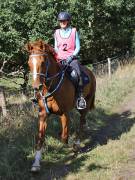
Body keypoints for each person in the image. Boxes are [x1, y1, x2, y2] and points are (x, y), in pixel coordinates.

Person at [54, 11, 86, 110]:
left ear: (68, 21)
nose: (62, 22)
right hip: (60, 59)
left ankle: (80, 97)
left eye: (64, 21)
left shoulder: (73, 31)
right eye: (60, 21)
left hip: (72, 59)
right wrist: (57, 56)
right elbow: (56, 47)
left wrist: (72, 56)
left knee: (77, 74)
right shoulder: (56, 32)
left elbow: (78, 47)